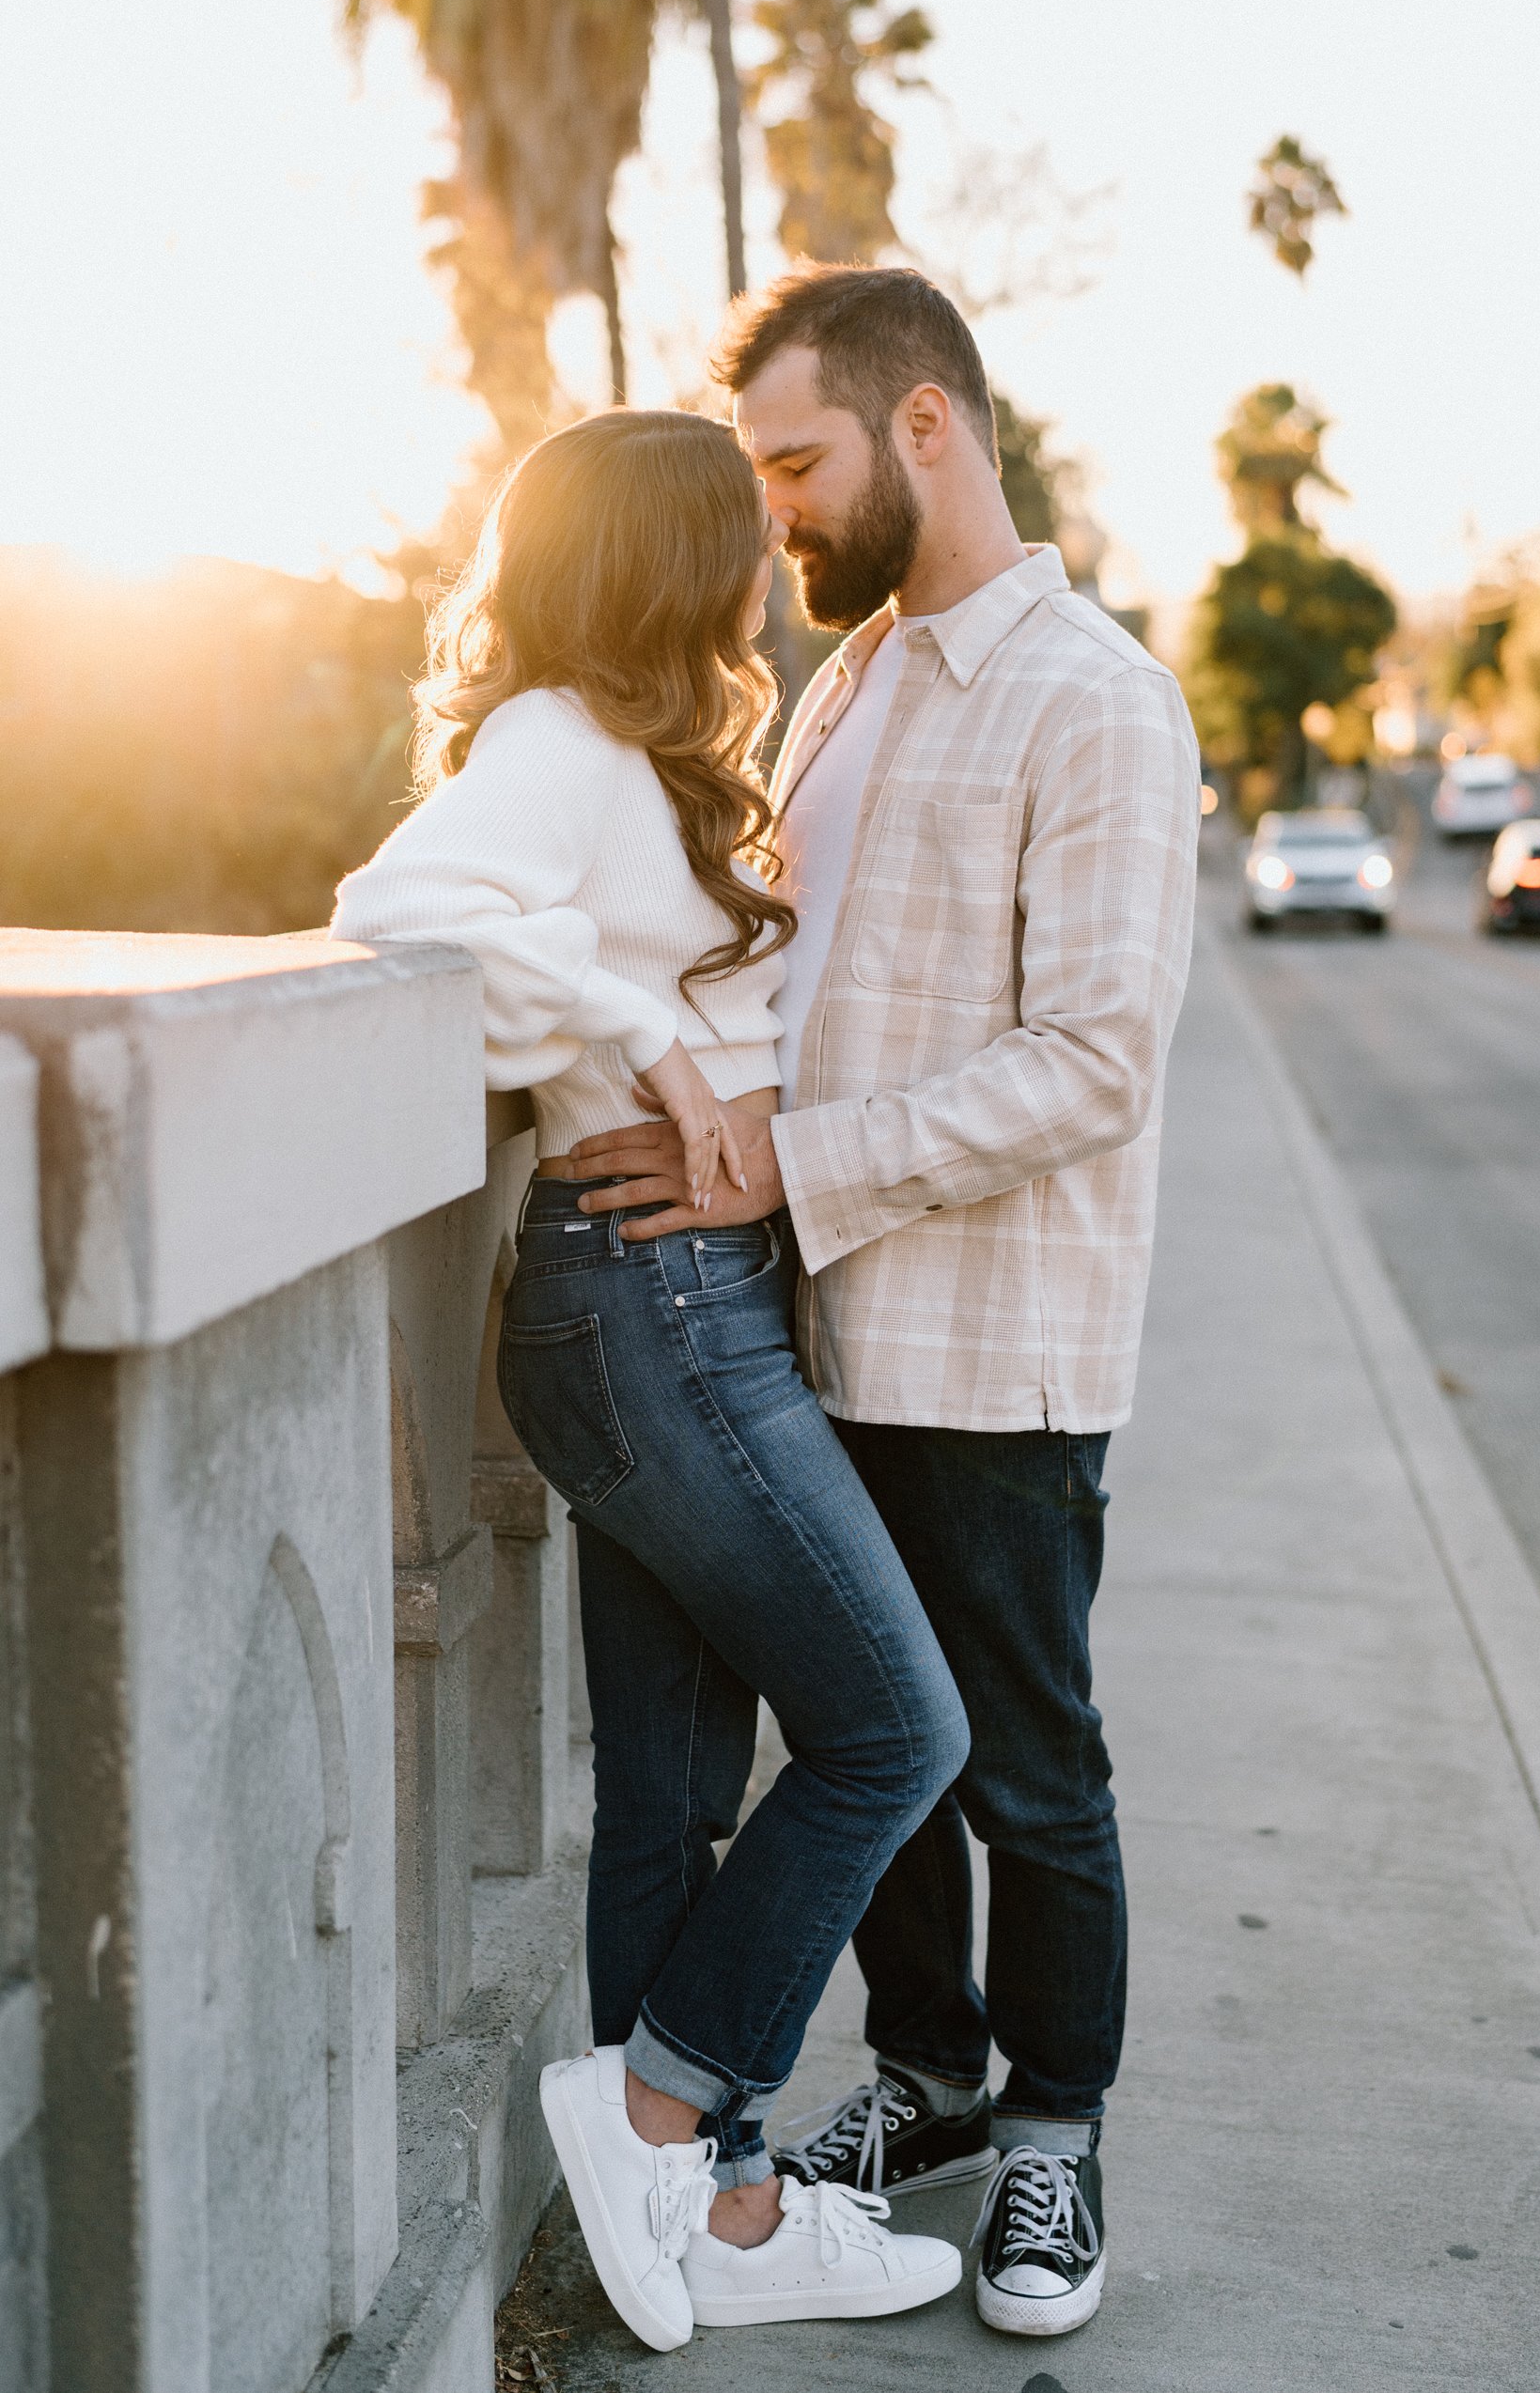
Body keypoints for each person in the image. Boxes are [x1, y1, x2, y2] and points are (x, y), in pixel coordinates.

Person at [567, 268, 1200, 2339]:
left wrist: (780, 1164)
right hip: (807, 1329)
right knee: (877, 1748)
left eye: (795, 463)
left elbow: (1096, 1055)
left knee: (1024, 1763)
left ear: (924, 428)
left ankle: (1054, 2140)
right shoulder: (846, 682)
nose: (773, 515)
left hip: (995, 1343)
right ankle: (919, 2079)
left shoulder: (1089, 694)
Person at [330, 408, 971, 2350]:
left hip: (684, 1297)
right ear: (665, 555)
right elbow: (399, 910)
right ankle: (653, 2107)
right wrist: (650, 1044)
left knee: (673, 1798)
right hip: (650, 1308)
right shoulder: (556, 746)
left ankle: (726, 2215)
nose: (773, 556)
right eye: (740, 523)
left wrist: (658, 1039)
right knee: (892, 1731)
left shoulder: (627, 751)